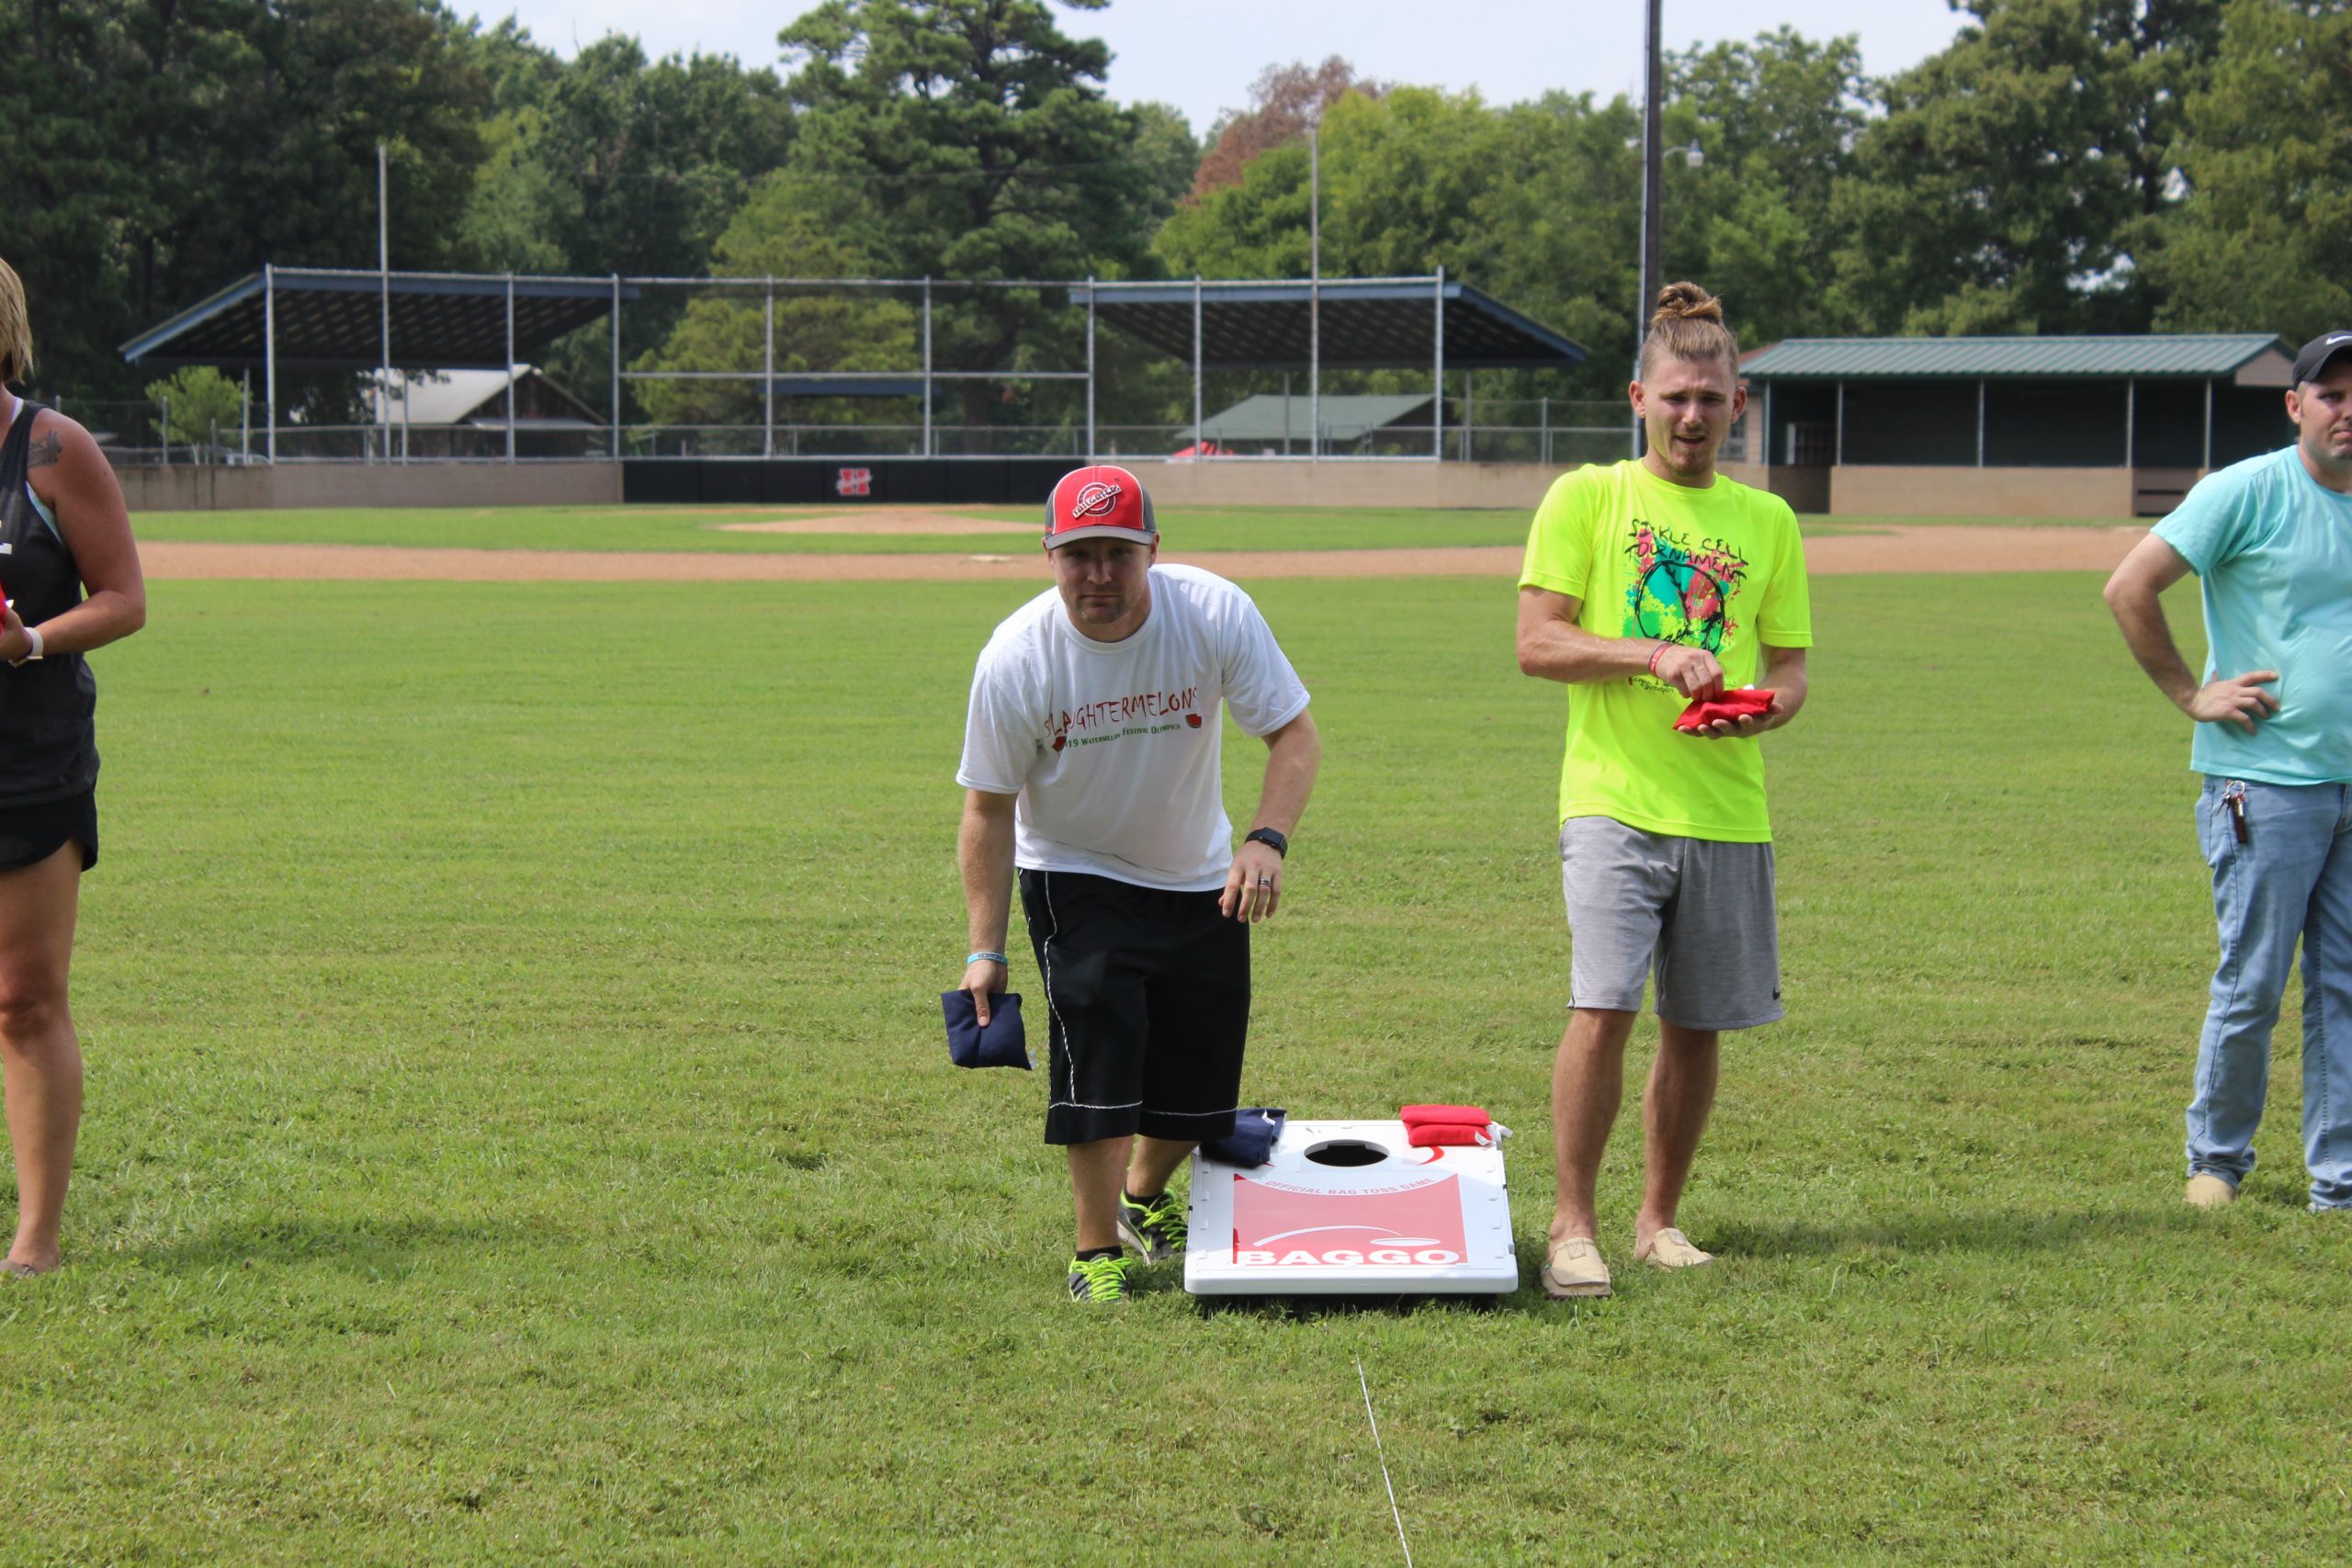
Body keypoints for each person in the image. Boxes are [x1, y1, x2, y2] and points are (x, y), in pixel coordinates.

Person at [956, 464, 1319, 1303]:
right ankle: (1095, 1251)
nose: (1099, 575)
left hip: (1199, 869)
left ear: (1153, 549)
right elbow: (987, 808)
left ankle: (1143, 1196)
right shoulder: (1017, 657)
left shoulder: (1213, 613)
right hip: (1074, 868)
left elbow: (1294, 735)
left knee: (1201, 1075)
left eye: (1118, 553)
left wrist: (1266, 839)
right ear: (1049, 556)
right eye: (1078, 555)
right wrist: (985, 948)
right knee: (1101, 1051)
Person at [1515, 282, 1812, 1300]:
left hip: (1727, 807)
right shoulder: (1588, 498)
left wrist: (1766, 709)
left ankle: (1657, 1223)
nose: (1693, 416)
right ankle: (1571, 1227)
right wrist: (1651, 654)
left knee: (1698, 1024)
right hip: (1614, 800)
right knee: (1603, 1006)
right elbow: (1537, 642)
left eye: (1711, 399)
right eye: (1675, 397)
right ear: (1639, 397)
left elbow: (1791, 668)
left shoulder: (1768, 521)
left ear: (1739, 405)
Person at [2102, 330, 2352, 1213]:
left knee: (2343, 986)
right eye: (2331, 394)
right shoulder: (2248, 491)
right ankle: (2216, 1160)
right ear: (2295, 405)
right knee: (2253, 983)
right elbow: (2130, 586)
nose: (2348, 410)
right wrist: (2190, 693)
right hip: (2266, 782)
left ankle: (2340, 1179)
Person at [0, 257, 148, 1278]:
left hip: (29, 763)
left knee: (24, 1000)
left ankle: (36, 1240)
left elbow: (125, 598)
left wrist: (32, 643)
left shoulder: (52, 449)